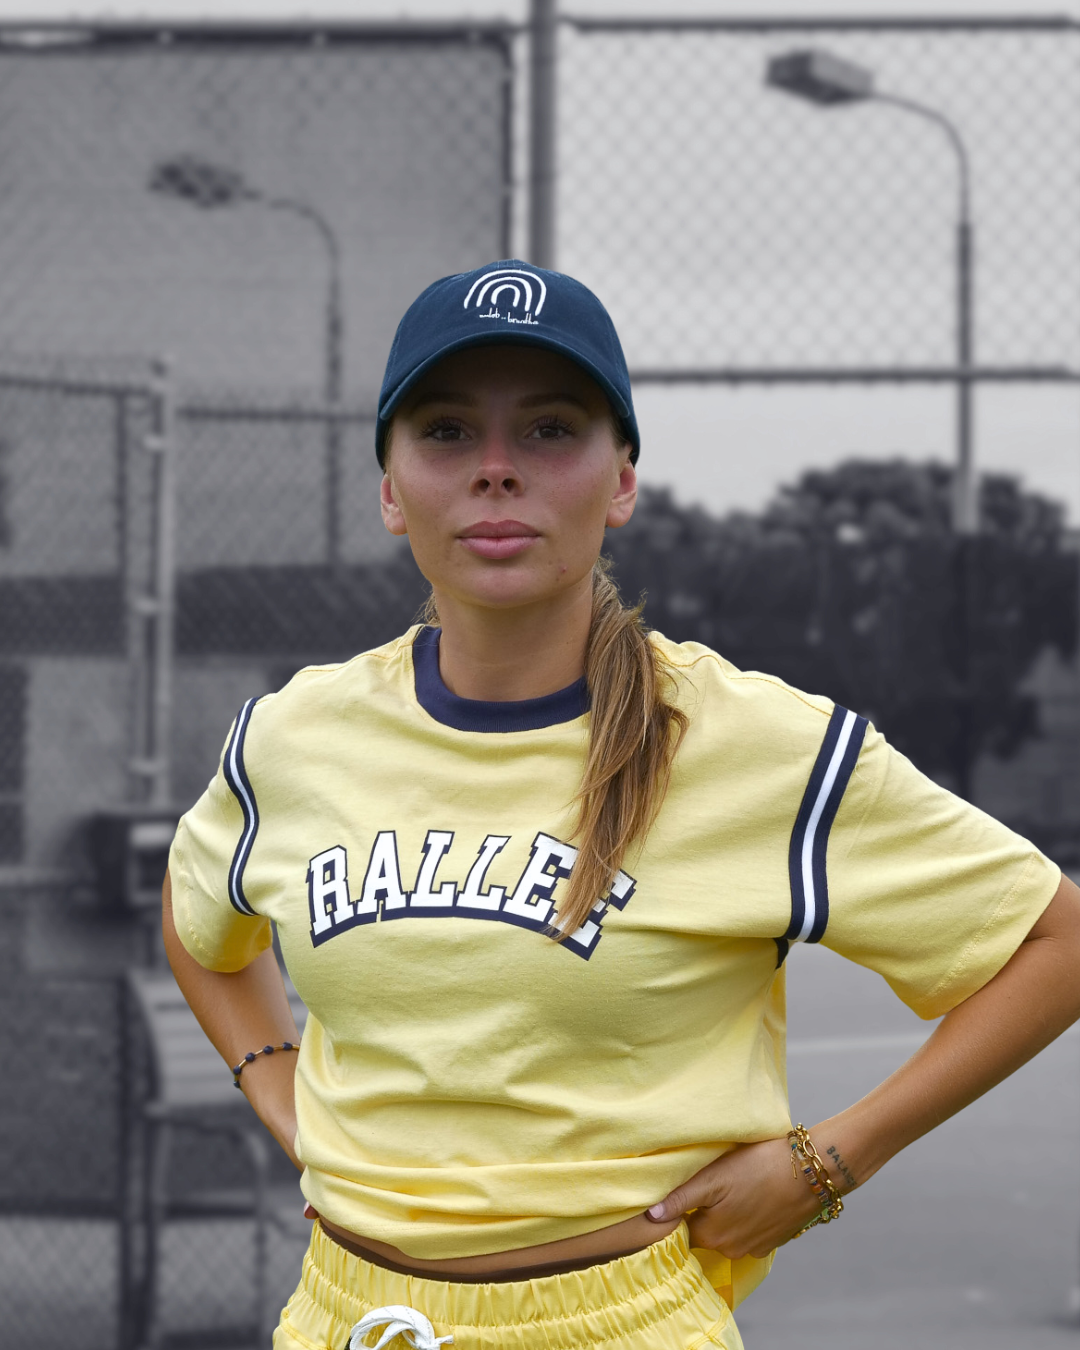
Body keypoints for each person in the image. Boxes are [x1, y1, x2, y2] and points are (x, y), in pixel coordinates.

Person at [164, 259, 1080, 1350]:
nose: (497, 471)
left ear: (623, 480)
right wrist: (278, 1088)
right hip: (340, 1315)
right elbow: (200, 932)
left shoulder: (759, 745)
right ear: (391, 488)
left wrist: (832, 1159)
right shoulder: (293, 737)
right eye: (447, 432)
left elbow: (1054, 938)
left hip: (613, 1319)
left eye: (551, 430)